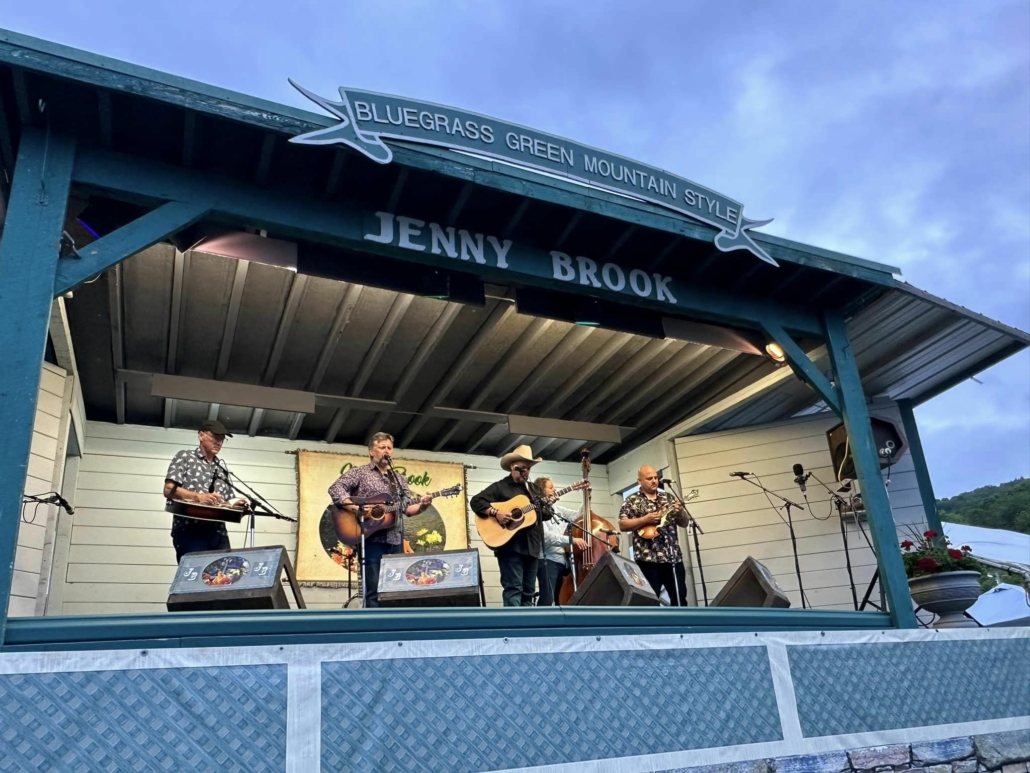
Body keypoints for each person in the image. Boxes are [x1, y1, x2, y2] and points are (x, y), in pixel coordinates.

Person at [328, 432, 433, 608]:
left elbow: (407, 507)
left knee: (396, 589)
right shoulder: (359, 473)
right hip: (370, 539)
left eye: (389, 448)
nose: (387, 451)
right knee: (373, 590)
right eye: (382, 447)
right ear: (371, 451)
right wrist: (356, 509)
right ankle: (373, 629)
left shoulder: (398, 479)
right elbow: (335, 489)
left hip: (395, 539)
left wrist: (423, 505)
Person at [470, 445, 554, 607]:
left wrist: (548, 506)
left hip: (532, 547)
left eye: (528, 468)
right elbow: (476, 501)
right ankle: (514, 626)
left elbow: (546, 515)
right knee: (514, 588)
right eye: (521, 468)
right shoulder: (500, 486)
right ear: (512, 467)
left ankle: (527, 629)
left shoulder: (534, 489)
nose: (525, 472)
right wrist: (495, 512)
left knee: (529, 591)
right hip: (510, 547)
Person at [163, 419, 248, 562]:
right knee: (194, 578)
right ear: (201, 436)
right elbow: (168, 490)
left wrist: (237, 506)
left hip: (218, 533)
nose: (219, 442)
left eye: (222, 439)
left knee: (224, 578)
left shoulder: (221, 469)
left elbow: (226, 503)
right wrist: (199, 497)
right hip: (189, 530)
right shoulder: (185, 457)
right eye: (215, 437)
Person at [618, 465, 689, 605]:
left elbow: (684, 523)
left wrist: (680, 512)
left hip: (672, 557)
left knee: (680, 599)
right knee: (649, 601)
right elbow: (623, 524)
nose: (654, 481)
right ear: (640, 481)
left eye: (655, 477)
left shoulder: (668, 497)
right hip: (647, 560)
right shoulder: (631, 500)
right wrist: (645, 519)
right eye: (649, 478)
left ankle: (680, 625)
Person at [533, 476, 587, 606]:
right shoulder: (536, 513)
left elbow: (578, 517)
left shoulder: (558, 510)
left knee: (560, 598)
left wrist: (587, 497)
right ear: (541, 491)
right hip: (547, 561)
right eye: (551, 487)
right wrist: (571, 540)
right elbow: (545, 537)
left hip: (564, 562)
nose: (555, 489)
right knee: (547, 597)